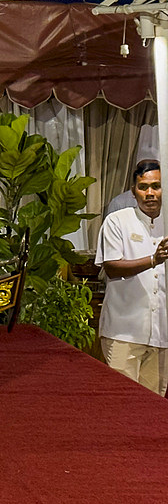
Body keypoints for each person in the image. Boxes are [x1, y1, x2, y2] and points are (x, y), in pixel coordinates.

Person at [95, 160, 168, 395]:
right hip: (124, 332)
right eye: (143, 187)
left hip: (162, 336)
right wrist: (152, 260)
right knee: (121, 405)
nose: (149, 193)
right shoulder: (118, 221)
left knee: (154, 409)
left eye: (156, 186)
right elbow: (112, 267)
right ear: (133, 190)